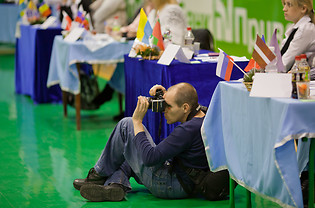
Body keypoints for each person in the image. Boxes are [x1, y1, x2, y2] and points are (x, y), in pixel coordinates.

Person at [73, 83, 230, 202]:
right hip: (186, 183)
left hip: (170, 184)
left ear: (185, 107)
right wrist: (166, 95)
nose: (164, 110)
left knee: (126, 124)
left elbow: (150, 158)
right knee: (127, 150)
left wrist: (137, 122)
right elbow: (189, 101)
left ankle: (97, 175)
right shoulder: (205, 115)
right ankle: (115, 186)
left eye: (168, 106)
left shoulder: (186, 131)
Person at [280, 0, 315, 72]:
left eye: (289, 5)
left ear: (303, 8)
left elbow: (285, 63)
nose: (284, 9)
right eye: (284, 4)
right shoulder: (295, 27)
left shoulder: (306, 29)